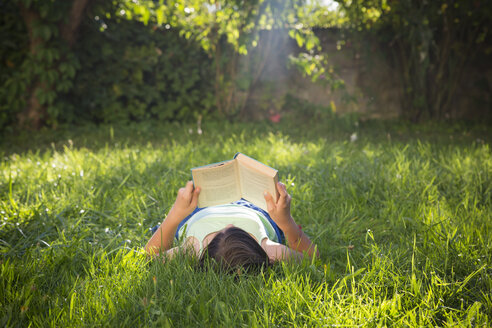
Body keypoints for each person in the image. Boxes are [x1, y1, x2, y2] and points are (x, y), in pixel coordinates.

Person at [145, 181, 318, 271]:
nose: (229, 223)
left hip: (202, 210)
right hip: (252, 207)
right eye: (238, 230)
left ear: (207, 249)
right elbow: (312, 257)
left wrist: (175, 214)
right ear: (257, 246)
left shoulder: (193, 247)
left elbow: (151, 256)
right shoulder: (269, 249)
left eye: (218, 233)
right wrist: (286, 222)